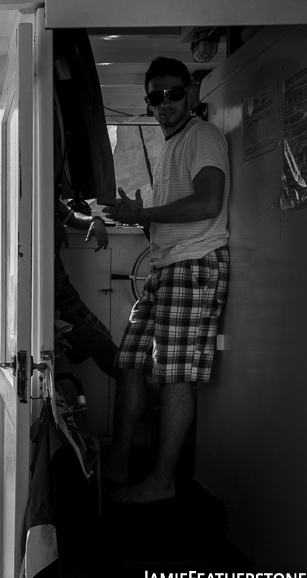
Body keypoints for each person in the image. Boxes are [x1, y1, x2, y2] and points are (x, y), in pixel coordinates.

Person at [102, 56, 230, 503]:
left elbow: (208, 204)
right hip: (165, 268)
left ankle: (162, 480)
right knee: (131, 365)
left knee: (175, 377)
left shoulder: (202, 137)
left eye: (174, 93)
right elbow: (168, 218)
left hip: (192, 267)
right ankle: (118, 462)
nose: (165, 103)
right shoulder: (171, 148)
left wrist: (144, 214)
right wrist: (133, 221)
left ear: (191, 95)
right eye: (156, 97)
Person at [0, 173, 118, 380]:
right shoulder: (17, 168)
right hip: (35, 289)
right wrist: (39, 211)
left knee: (89, 345)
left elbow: (72, 217)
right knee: (95, 345)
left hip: (56, 284)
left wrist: (95, 220)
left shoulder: (47, 186)